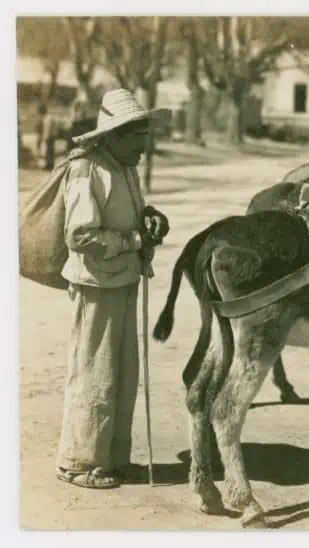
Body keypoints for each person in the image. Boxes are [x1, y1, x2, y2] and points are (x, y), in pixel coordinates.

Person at [55, 88, 171, 489]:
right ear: (115, 134)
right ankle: (79, 461)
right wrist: (134, 242)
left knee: (122, 374)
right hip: (96, 284)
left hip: (124, 278)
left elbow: (130, 214)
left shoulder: (125, 167)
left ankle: (112, 460)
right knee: (94, 372)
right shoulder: (86, 169)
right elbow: (80, 235)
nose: (144, 147)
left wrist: (151, 219)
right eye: (137, 138)